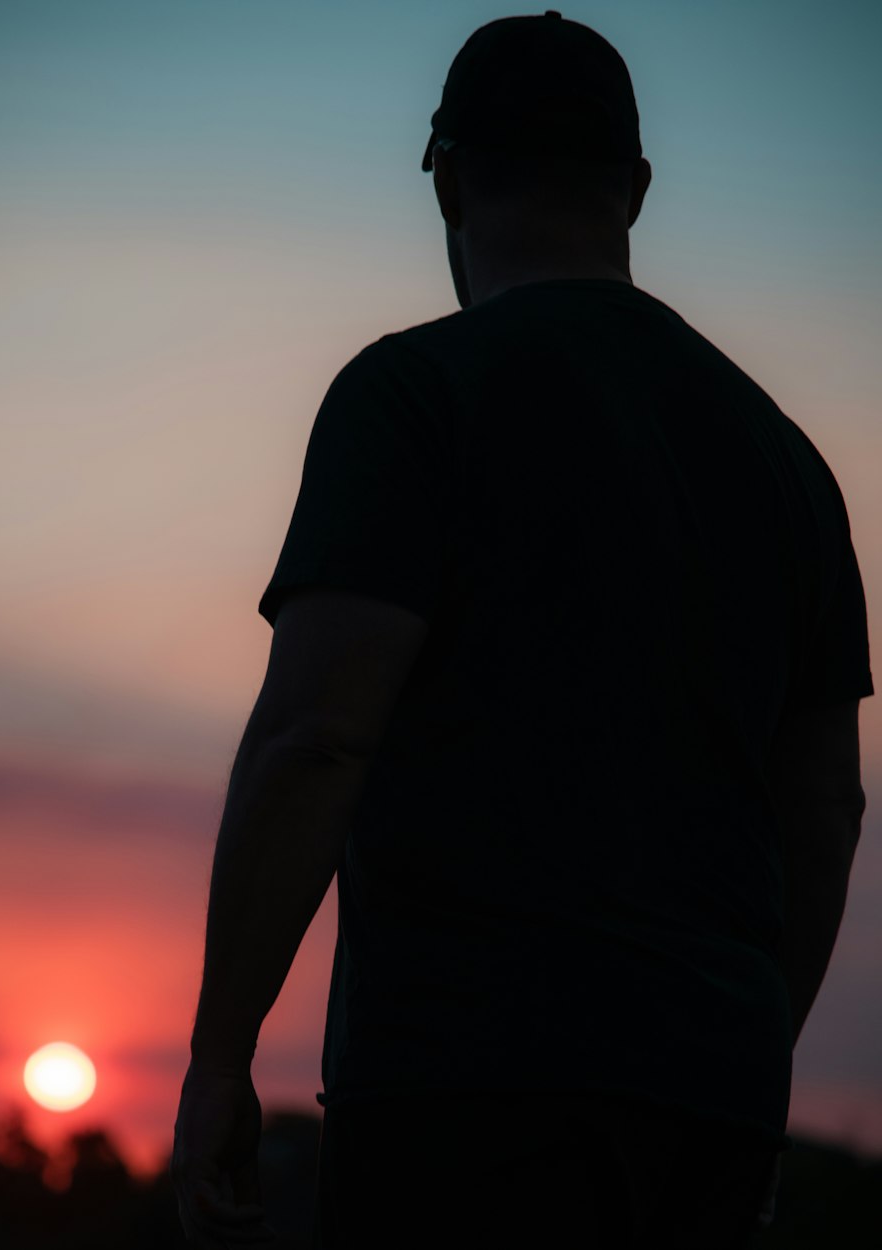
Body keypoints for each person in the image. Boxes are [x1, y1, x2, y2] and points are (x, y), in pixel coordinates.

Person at [172, 12, 874, 1248]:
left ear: (446, 176)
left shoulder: (409, 397)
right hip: (702, 1105)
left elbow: (315, 737)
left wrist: (220, 1054)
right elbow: (823, 809)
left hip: (461, 1087)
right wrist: (749, 1080)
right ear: (636, 193)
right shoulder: (789, 465)